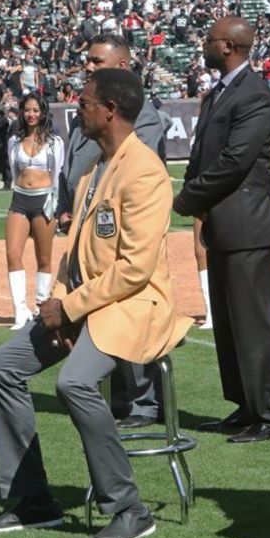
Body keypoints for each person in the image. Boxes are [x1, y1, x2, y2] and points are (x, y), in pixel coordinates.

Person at [0, 68, 192, 538]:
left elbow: (135, 270)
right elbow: (75, 247)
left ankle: (130, 509)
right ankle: (34, 503)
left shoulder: (146, 171)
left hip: (133, 305)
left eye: (87, 101)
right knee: (0, 367)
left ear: (111, 110)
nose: (79, 108)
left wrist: (70, 308)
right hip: (85, 303)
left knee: (73, 382)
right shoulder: (96, 166)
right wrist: (59, 300)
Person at [173, 16, 270, 445]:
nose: (203, 44)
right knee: (228, 322)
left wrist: (190, 198)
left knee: (252, 323)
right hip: (226, 223)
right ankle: (245, 406)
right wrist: (194, 191)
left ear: (227, 47)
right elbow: (203, 153)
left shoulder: (255, 95)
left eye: (209, 39)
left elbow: (236, 161)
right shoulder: (221, 92)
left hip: (249, 225)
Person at [55, 34, 170, 429]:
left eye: (95, 61)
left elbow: (133, 169)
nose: (87, 66)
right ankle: (119, 398)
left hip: (117, 224)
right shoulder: (84, 114)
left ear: (121, 67)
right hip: (85, 220)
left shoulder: (144, 117)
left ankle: (143, 404)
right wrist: (67, 206)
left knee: (128, 307)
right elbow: (73, 164)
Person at [4, 92, 65, 330]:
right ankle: (20, 310)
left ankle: (41, 308)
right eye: (27, 110)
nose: (31, 115)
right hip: (19, 200)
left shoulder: (54, 142)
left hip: (44, 201)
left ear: (43, 113)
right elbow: (13, 170)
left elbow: (57, 174)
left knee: (43, 257)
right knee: (12, 253)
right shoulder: (14, 141)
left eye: (35, 111)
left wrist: (56, 206)